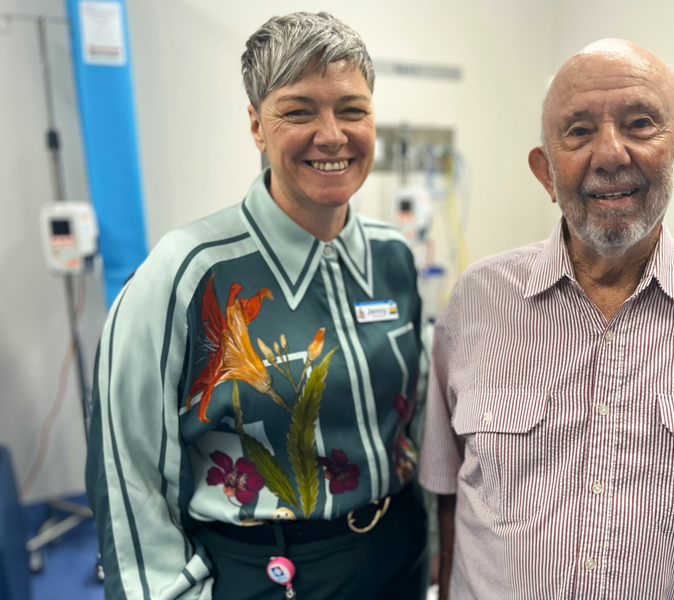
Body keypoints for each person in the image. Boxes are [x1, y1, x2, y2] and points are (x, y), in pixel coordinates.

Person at [419, 39, 674, 600]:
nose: (610, 153)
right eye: (578, 131)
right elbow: (447, 495)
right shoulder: (477, 301)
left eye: (640, 124)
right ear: (545, 172)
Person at [86, 12, 428, 600]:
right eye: (299, 111)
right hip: (272, 572)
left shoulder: (394, 257)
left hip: (398, 553)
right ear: (256, 126)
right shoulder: (187, 273)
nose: (331, 134)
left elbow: (416, 422)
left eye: (352, 109)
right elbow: (127, 474)